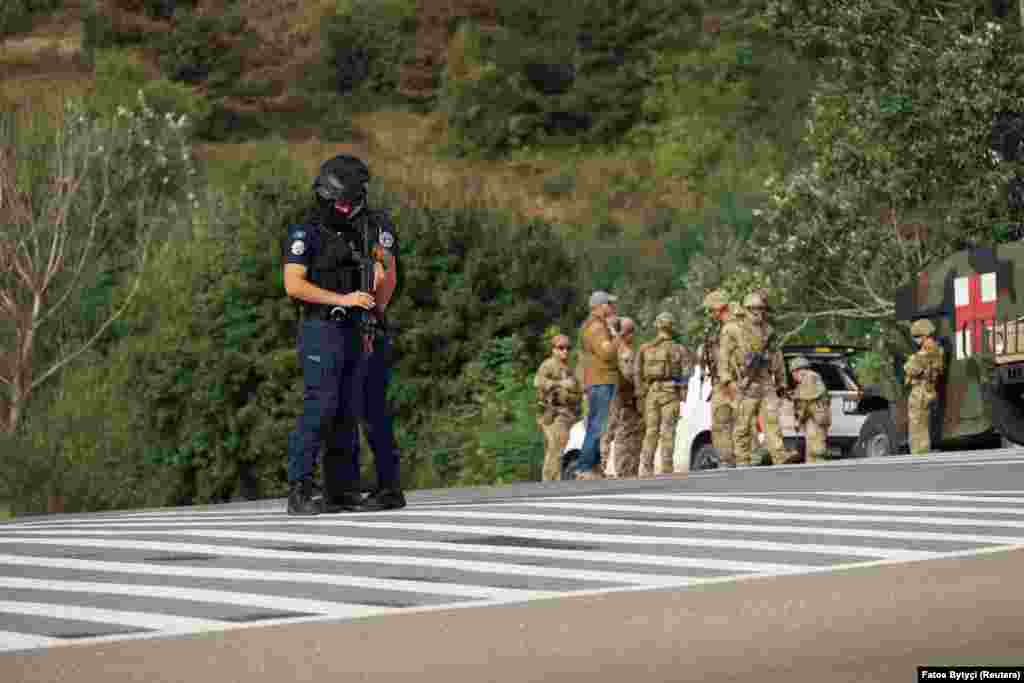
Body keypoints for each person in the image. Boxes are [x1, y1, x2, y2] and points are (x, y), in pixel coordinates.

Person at [282, 154, 377, 515]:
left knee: (346, 410)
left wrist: (366, 321)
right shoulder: (305, 233)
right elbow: (293, 285)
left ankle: (343, 489)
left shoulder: (352, 233)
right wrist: (343, 300)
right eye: (350, 198)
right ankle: (300, 488)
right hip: (320, 328)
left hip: (351, 328)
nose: (355, 205)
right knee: (319, 407)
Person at [341, 186, 407, 512]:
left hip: (366, 324)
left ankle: (388, 485)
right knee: (346, 409)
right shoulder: (337, 224)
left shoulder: (376, 226)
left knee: (372, 410)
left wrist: (374, 313)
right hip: (343, 322)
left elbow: (385, 274)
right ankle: (350, 485)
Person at [719, 291, 787, 467]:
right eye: (754, 309)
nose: (759, 313)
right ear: (746, 309)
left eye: (761, 309)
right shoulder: (732, 329)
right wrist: (728, 381)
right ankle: (742, 460)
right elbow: (724, 356)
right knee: (743, 424)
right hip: (744, 382)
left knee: (772, 420)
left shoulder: (769, 330)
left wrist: (781, 382)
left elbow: (777, 357)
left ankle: (779, 457)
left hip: (765, 380)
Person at [634, 312, 690, 476]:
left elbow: (637, 371)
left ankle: (646, 467)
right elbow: (687, 372)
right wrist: (683, 391)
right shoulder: (679, 349)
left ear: (656, 325)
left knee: (651, 431)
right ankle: (666, 467)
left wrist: (640, 391)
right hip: (670, 391)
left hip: (652, 392)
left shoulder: (645, 347)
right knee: (668, 431)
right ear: (671, 327)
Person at [576, 291, 624, 480]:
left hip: (601, 379)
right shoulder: (596, 327)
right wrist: (617, 337)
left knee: (598, 424)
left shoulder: (598, 325)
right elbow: (606, 353)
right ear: (599, 306)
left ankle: (593, 467)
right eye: (609, 304)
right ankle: (585, 466)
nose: (612, 308)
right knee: (597, 425)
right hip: (600, 380)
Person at [534, 334, 583, 481]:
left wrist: (572, 395)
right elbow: (537, 381)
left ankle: (556, 479)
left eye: (568, 348)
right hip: (552, 413)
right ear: (553, 349)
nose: (565, 351)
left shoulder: (569, 368)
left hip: (568, 413)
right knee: (557, 446)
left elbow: (577, 391)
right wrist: (560, 384)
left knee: (562, 447)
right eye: (561, 348)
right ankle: (549, 482)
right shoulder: (548, 365)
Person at [602, 317, 643, 478]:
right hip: (620, 397)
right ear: (628, 334)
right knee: (622, 435)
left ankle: (600, 467)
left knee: (608, 433)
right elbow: (629, 376)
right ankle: (622, 469)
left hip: (607, 395)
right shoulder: (624, 351)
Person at [703, 290, 735, 467]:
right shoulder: (717, 329)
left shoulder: (735, 327)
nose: (711, 314)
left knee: (740, 426)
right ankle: (726, 462)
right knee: (720, 425)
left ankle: (741, 461)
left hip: (734, 382)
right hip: (719, 383)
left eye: (712, 310)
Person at [904, 318, 944, 454]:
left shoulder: (929, 347)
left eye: (917, 336)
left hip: (922, 390)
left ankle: (920, 452)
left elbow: (912, 368)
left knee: (917, 423)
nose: (916, 340)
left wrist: (910, 363)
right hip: (925, 389)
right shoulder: (933, 348)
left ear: (925, 334)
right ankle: (920, 451)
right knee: (920, 422)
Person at [789, 356, 830, 463]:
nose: (793, 377)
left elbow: (804, 402)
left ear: (796, 370)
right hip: (817, 417)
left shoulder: (807, 377)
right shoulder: (814, 377)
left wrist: (798, 421)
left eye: (792, 373)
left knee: (816, 450)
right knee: (812, 449)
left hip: (815, 418)